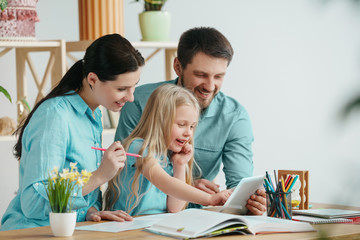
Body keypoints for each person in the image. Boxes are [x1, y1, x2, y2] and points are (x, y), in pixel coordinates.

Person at [1, 34, 145, 231]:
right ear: (93, 79)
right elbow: (33, 204)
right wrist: (99, 176)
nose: (130, 97)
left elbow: (79, 192)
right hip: (31, 231)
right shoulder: (54, 116)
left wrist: (90, 211)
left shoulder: (94, 114)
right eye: (122, 88)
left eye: (134, 87)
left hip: (71, 229)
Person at [115, 27, 266, 215]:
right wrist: (191, 187)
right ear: (178, 67)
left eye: (218, 76)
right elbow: (121, 170)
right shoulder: (137, 102)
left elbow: (239, 188)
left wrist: (252, 200)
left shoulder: (235, 116)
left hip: (188, 215)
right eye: (201, 75)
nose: (210, 86)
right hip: (136, 218)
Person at [104, 84, 232, 215]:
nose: (188, 133)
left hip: (153, 224)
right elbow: (166, 183)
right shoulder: (138, 148)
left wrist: (179, 164)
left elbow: (174, 207)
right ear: (160, 121)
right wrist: (210, 199)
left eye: (192, 126)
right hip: (128, 226)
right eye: (182, 125)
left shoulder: (168, 155)